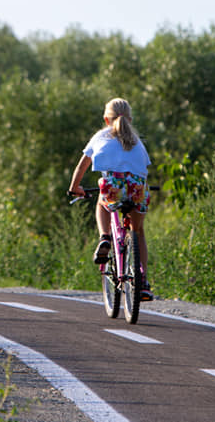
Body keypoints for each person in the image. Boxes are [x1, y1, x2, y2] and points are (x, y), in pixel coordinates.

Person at [69, 98, 154, 300]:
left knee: (102, 200)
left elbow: (82, 165)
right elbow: (143, 169)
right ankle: (142, 280)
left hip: (113, 186)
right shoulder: (137, 140)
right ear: (130, 119)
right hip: (137, 186)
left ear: (106, 119)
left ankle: (105, 236)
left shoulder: (100, 136)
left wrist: (74, 188)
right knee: (138, 231)